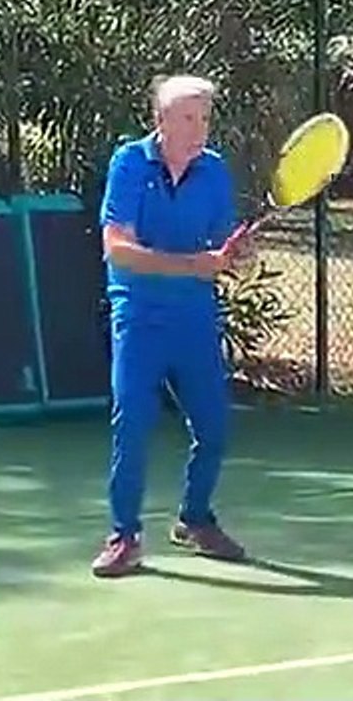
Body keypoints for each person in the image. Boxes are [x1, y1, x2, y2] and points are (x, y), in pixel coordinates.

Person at [91, 74, 254, 578]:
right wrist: (193, 265)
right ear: (160, 121)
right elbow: (116, 247)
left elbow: (224, 242)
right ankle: (124, 536)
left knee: (214, 427)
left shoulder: (214, 171)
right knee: (133, 422)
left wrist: (237, 255)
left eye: (204, 118)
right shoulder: (128, 164)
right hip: (139, 317)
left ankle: (195, 520)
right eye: (187, 117)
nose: (198, 128)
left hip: (195, 318)